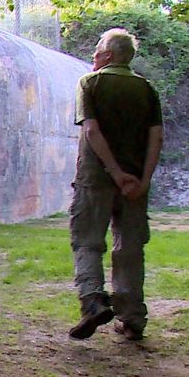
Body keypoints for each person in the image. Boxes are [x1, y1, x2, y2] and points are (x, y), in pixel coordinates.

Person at [68, 28, 163, 341]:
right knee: (130, 248)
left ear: (107, 55)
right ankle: (132, 318)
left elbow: (92, 132)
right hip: (135, 184)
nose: (93, 55)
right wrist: (143, 179)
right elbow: (156, 137)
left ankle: (93, 303)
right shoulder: (146, 89)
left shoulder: (90, 83)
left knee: (87, 242)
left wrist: (113, 171)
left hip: (95, 178)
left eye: (97, 50)